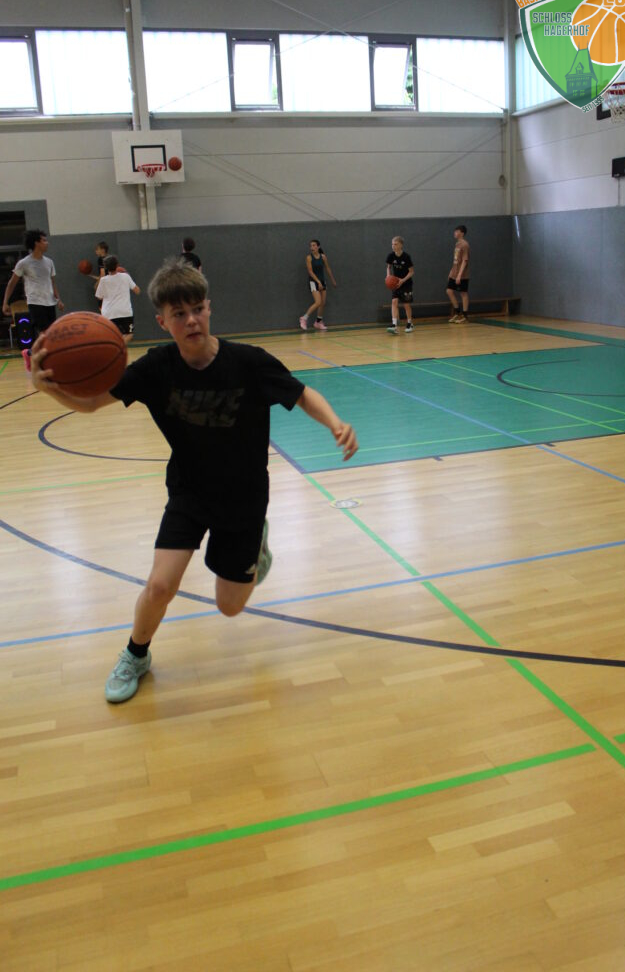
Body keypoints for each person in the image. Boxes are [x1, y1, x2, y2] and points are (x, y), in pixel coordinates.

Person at [30, 259, 358, 704]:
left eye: (197, 309)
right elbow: (90, 403)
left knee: (229, 607)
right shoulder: (156, 368)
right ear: (162, 321)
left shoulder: (248, 362)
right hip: (189, 491)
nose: (191, 320)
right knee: (160, 585)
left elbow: (301, 394)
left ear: (209, 308)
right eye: (179, 314)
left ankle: (256, 547)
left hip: (244, 498)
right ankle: (135, 654)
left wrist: (335, 423)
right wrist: (47, 386)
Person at [2, 229, 65, 370]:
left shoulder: (49, 262)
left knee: (49, 335)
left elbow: (52, 282)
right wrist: (5, 302)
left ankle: (29, 353)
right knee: (44, 334)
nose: (47, 243)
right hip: (35, 302)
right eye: (44, 240)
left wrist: (58, 299)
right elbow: (12, 283)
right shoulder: (24, 263)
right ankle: (46, 363)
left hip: (50, 302)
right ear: (37, 243)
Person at [95, 255, 141, 343]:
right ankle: (119, 346)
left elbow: (99, 296)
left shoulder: (103, 280)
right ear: (117, 265)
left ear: (105, 267)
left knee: (111, 335)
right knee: (129, 334)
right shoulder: (125, 276)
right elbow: (137, 291)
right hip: (124, 311)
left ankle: (115, 347)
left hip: (109, 313)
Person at [299, 240, 336, 331]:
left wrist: (333, 280)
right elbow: (310, 272)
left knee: (322, 303)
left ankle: (318, 322)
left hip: (322, 281)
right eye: (311, 246)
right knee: (318, 302)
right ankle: (304, 318)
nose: (312, 247)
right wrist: (318, 282)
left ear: (318, 247)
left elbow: (328, 268)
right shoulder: (309, 258)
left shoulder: (323, 257)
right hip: (313, 282)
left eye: (314, 245)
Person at [385, 236, 414, 334]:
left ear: (401, 245)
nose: (393, 246)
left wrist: (403, 280)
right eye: (392, 244)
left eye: (395, 244)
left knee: (406, 304)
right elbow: (388, 267)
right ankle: (394, 325)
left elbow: (411, 272)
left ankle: (409, 323)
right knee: (394, 302)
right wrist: (388, 276)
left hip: (406, 283)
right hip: (395, 283)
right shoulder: (390, 256)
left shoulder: (406, 257)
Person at [446, 225, 471, 324]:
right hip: (454, 272)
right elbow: (456, 260)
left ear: (462, 233)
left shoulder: (465, 245)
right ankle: (457, 313)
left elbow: (465, 261)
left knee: (463, 293)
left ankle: (465, 316)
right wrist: (451, 271)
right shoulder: (457, 244)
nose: (455, 233)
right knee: (449, 291)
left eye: (457, 231)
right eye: (455, 231)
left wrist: (460, 275)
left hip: (462, 274)